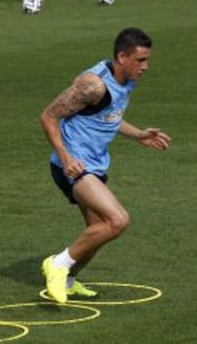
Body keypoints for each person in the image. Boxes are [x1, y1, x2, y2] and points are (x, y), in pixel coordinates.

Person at [40, 27, 171, 303]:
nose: (145, 67)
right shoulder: (93, 86)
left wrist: (139, 135)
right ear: (122, 57)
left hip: (95, 165)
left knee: (97, 232)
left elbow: (107, 116)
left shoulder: (124, 80)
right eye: (140, 60)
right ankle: (58, 265)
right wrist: (65, 159)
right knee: (118, 220)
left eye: (147, 60)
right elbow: (49, 116)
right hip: (74, 166)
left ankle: (70, 280)